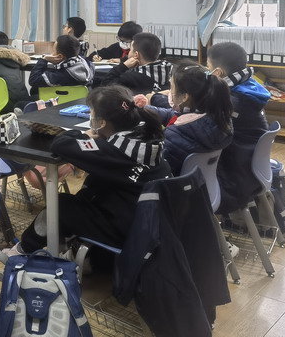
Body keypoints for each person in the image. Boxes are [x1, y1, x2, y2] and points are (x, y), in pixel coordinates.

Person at [10, 85, 171, 255]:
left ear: (101, 122)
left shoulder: (111, 150)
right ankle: (69, 247)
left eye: (92, 115)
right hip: (150, 222)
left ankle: (22, 250)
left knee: (61, 206)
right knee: (91, 186)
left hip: (130, 230)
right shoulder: (146, 135)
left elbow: (61, 144)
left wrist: (86, 134)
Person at [206, 42, 270, 214]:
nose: (207, 72)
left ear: (218, 72)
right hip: (249, 173)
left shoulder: (231, 101)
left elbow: (204, 129)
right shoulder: (248, 87)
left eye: (208, 67)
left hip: (231, 183)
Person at [142, 60, 233, 175]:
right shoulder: (216, 118)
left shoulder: (175, 136)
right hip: (200, 181)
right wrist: (144, 109)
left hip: (173, 182)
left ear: (185, 97)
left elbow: (154, 168)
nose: (169, 92)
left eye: (172, 88)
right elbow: (173, 115)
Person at [101, 32, 172, 94]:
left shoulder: (131, 77)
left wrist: (123, 66)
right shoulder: (170, 69)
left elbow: (106, 86)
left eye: (130, 50)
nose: (129, 52)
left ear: (136, 55)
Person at [28, 35, 94, 98]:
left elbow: (33, 80)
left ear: (59, 56)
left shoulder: (60, 74)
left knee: (23, 100)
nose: (51, 53)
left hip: (58, 102)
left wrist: (44, 60)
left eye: (53, 51)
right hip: (80, 102)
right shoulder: (87, 64)